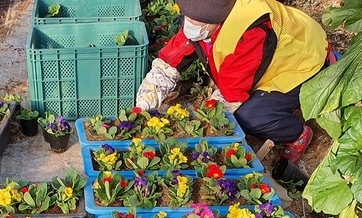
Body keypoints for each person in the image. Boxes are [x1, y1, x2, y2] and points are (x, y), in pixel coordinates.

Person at [135, 0, 330, 163]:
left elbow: (231, 94)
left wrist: (195, 134)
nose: (190, 24)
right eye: (188, 18)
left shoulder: (250, 32)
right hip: (271, 52)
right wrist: (151, 91)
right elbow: (177, 52)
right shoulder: (206, 17)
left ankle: (296, 134)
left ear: (216, 19)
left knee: (249, 116)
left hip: (301, 61)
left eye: (196, 21)